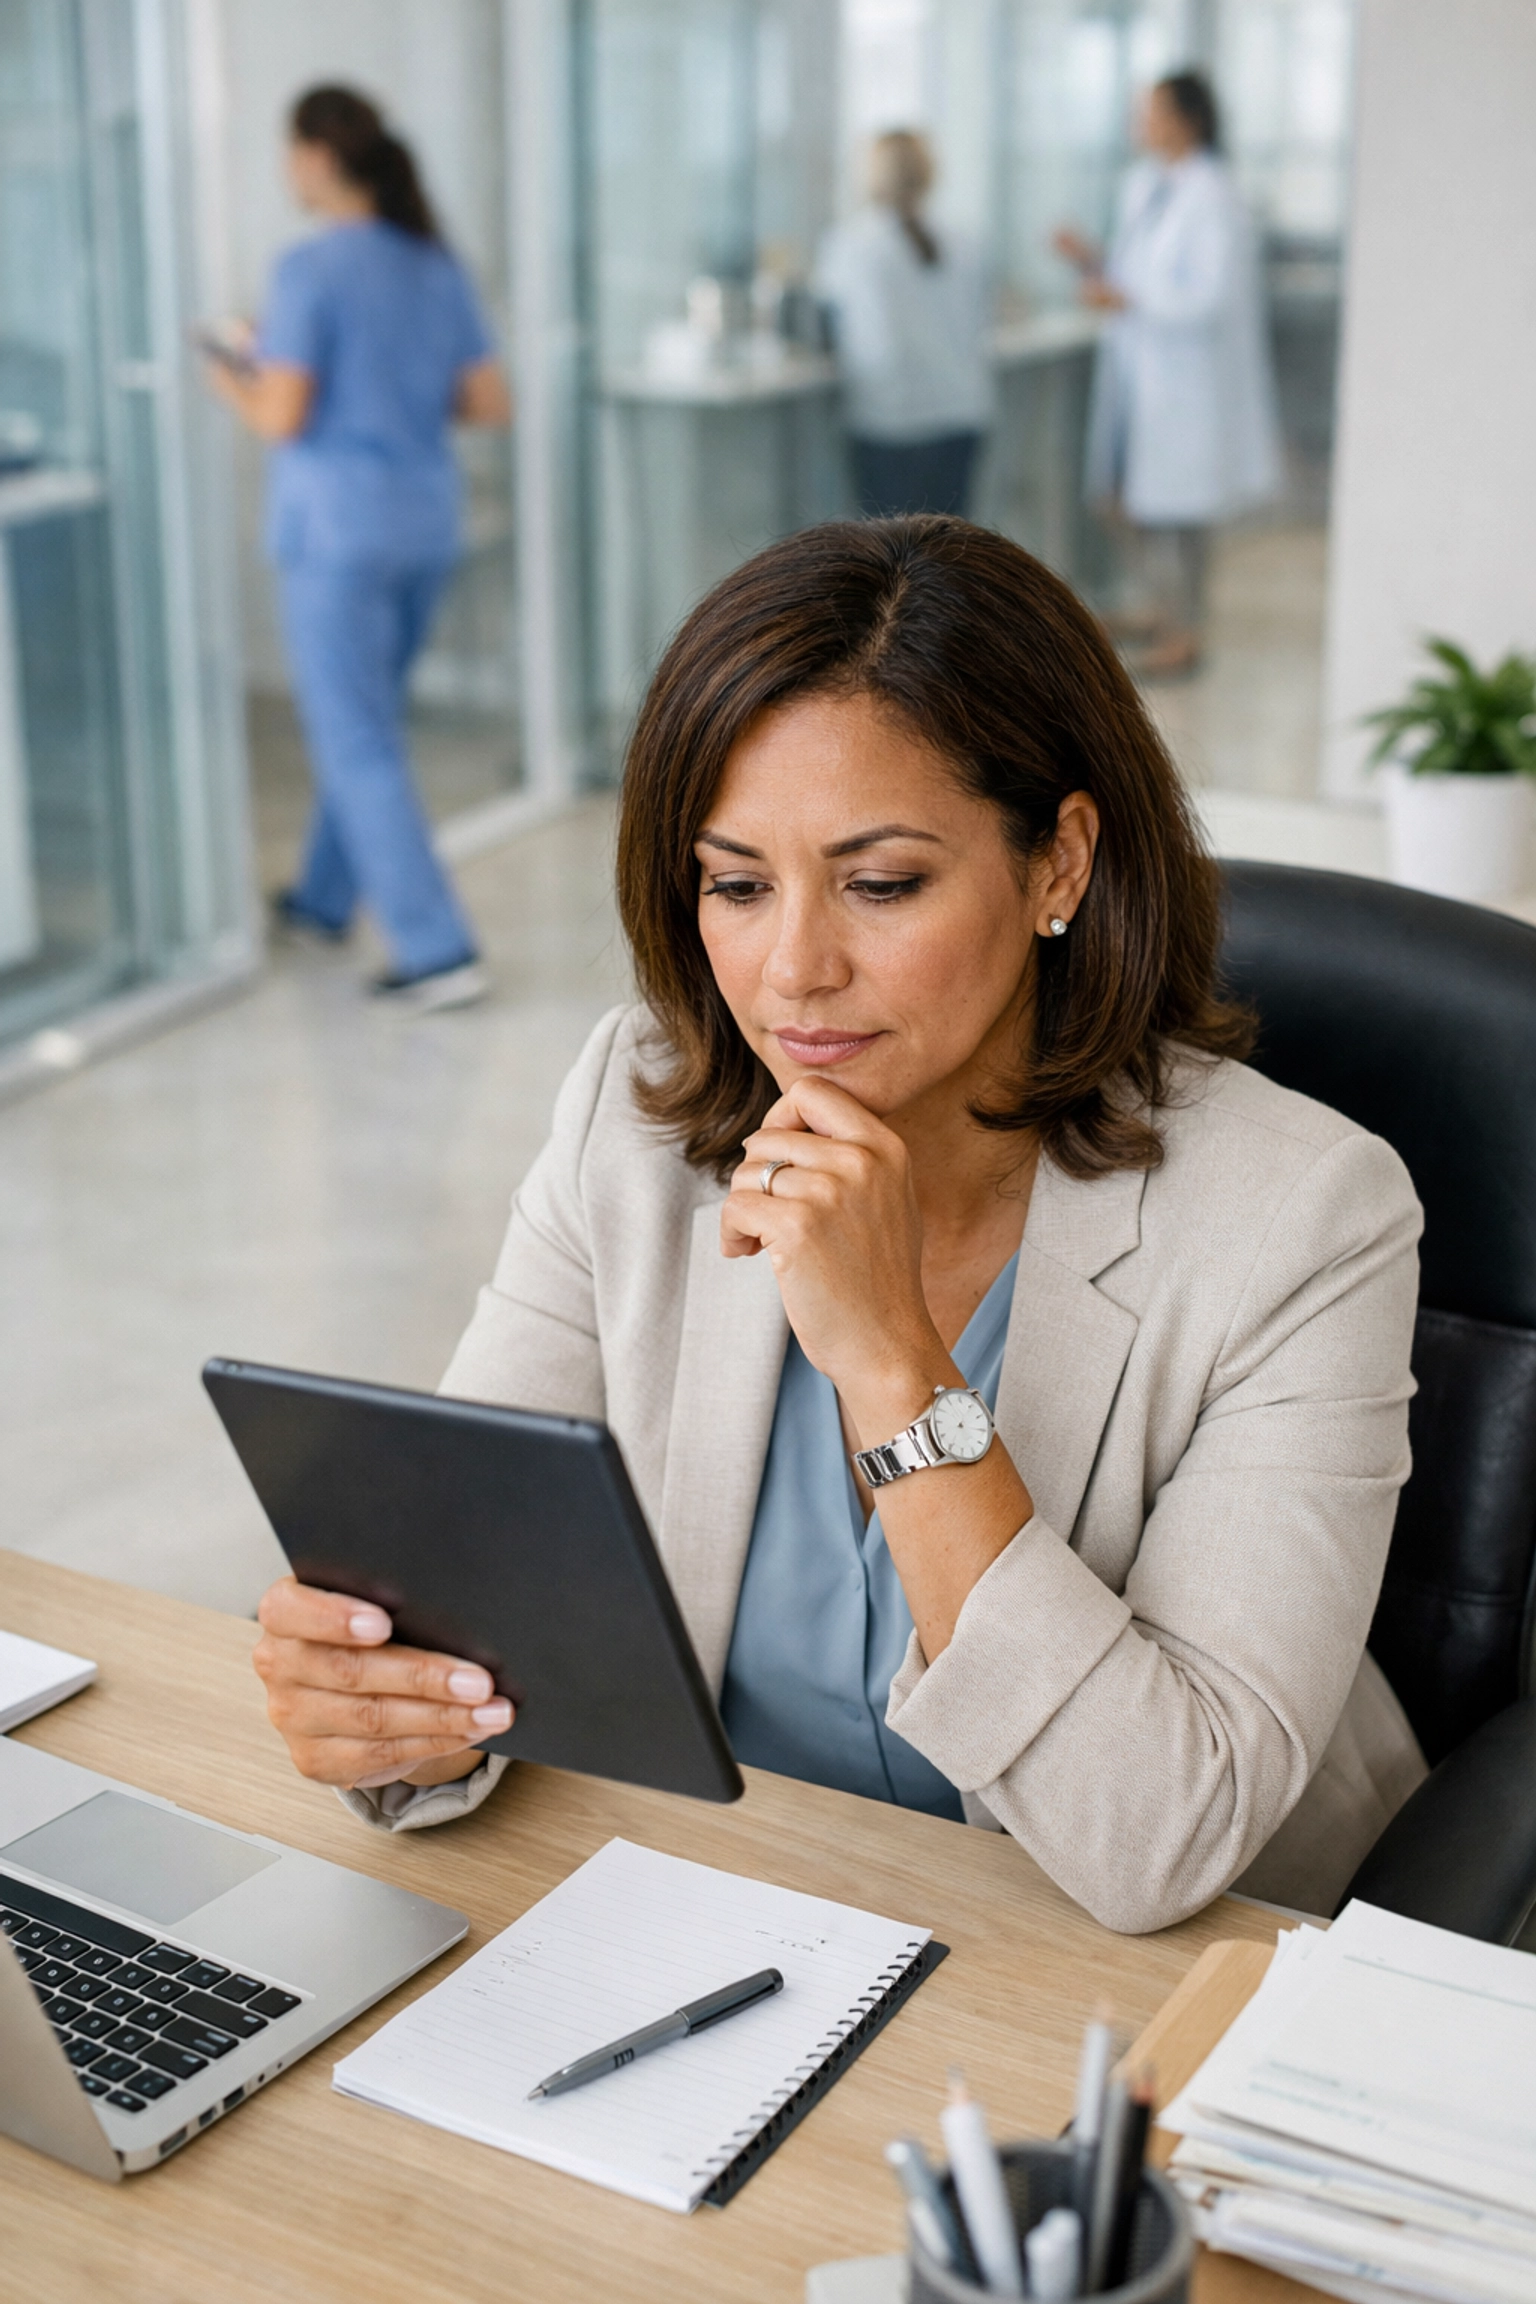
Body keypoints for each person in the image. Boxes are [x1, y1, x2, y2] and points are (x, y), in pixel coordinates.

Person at [250, 516, 1428, 1936]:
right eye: (737, 886)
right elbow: (471, 1612)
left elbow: (1161, 1840)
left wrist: (892, 1365)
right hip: (746, 1914)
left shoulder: (1305, 1217)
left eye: (881, 884)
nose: (794, 969)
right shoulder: (633, 1126)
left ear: (1058, 864)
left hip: (1151, 1981)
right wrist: (396, 1713)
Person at [205, 85, 512, 1012]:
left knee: (356, 738)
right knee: (368, 724)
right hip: (422, 524)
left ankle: (437, 948)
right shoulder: (431, 261)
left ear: (315, 157)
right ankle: (320, 901)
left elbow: (281, 414)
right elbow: (486, 402)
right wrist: (393, 388)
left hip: (338, 533)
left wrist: (226, 370)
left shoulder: (308, 269)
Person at [1055, 72, 1280, 678]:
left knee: (1178, 514)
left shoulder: (1214, 195)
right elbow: (1143, 272)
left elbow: (1205, 297)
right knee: (1119, 499)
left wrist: (1125, 298)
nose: (1140, 124)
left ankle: (1185, 631)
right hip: (1143, 376)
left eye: (1151, 113)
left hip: (1186, 385)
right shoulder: (1150, 186)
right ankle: (1163, 611)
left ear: (1188, 120)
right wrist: (1093, 263)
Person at [815, 131, 992, 519]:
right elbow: (981, 321)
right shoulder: (963, 241)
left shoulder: (852, 243)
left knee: (889, 562)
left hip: (891, 422)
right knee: (951, 558)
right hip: (959, 413)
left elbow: (827, 325)